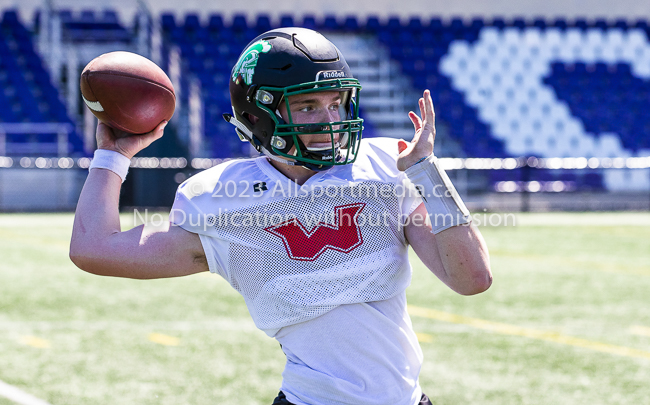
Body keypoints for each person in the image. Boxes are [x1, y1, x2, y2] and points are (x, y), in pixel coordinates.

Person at [70, 27, 492, 405]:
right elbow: (94, 248)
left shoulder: (387, 167)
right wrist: (112, 155)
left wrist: (427, 172)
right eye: (307, 106)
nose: (330, 120)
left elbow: (471, 279)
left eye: (336, 102)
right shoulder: (220, 202)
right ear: (258, 117)